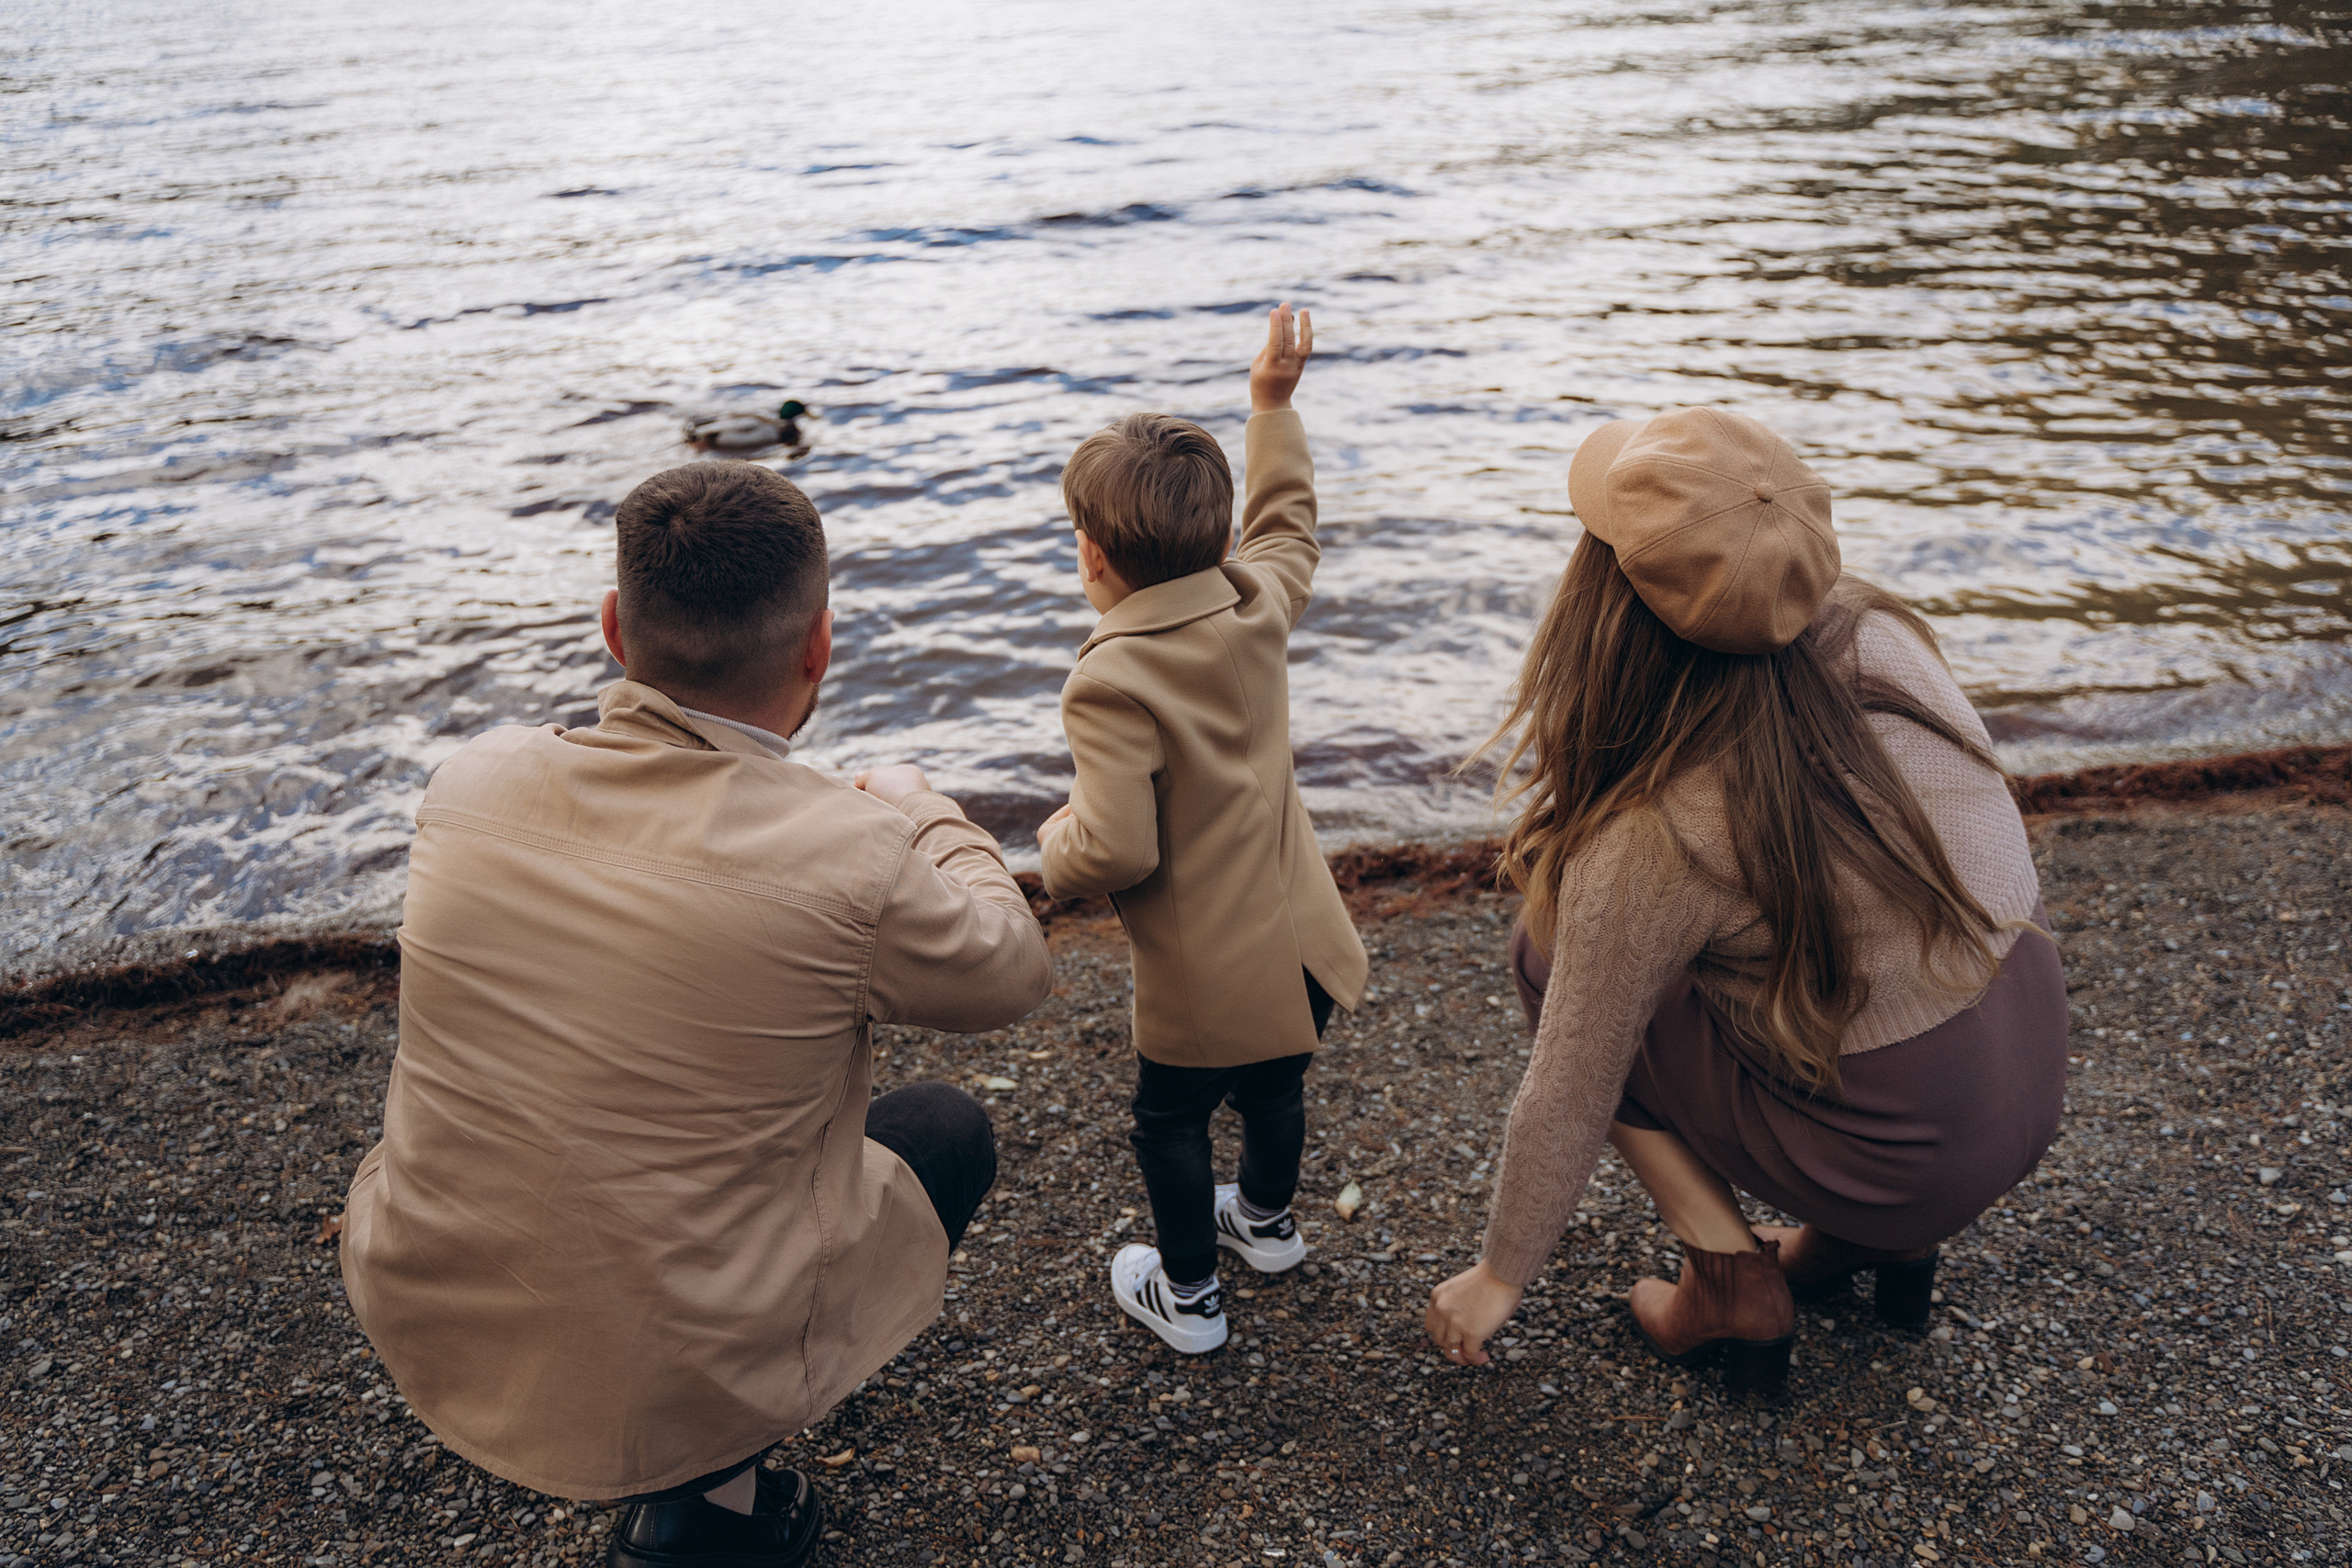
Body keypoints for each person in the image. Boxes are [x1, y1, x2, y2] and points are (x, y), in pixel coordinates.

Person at [340, 461, 1053, 1568]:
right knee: (943, 1130)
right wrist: (924, 811)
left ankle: (685, 1431)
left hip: (435, 1291)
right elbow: (1010, 971)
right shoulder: (851, 851)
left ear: (613, 628)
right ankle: (709, 1499)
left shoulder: (470, 784)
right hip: (676, 1350)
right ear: (819, 646)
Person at [1424, 407, 2065, 1393]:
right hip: (2021, 1078)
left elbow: (1569, 1086)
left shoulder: (1658, 833)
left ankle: (1730, 1281)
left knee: (1545, 958)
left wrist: (1499, 1273)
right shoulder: (1882, 632)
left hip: (1901, 1156)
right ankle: (1880, 1248)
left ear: (1603, 603)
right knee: (1817, 950)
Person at [1037, 304, 1369, 1354]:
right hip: (1305, 944)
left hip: (1206, 976)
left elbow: (1116, 849)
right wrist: (1271, 405)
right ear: (1220, 542)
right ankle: (1264, 1224)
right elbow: (1289, 528)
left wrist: (1053, 847)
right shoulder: (1255, 604)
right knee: (1275, 1087)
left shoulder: (1110, 678)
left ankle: (1188, 1296)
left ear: (1091, 556)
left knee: (1170, 1123)